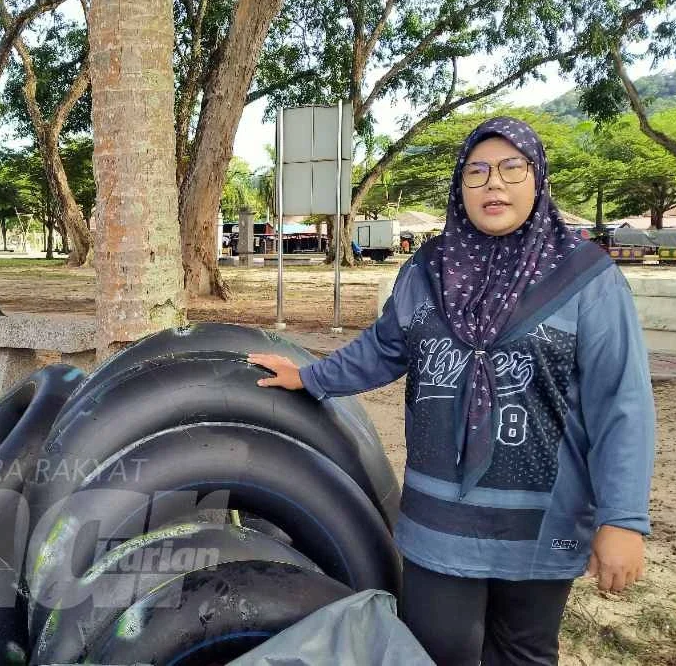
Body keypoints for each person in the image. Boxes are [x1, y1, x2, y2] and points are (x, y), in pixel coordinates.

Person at [249, 116, 655, 666]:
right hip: (440, 523)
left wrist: (622, 520)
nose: (494, 184)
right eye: (477, 172)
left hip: (542, 522)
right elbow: (386, 348)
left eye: (512, 169)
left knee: (524, 654)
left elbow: (621, 408)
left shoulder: (586, 278)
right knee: (436, 652)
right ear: (459, 187)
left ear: (538, 180)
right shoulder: (427, 270)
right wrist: (311, 376)